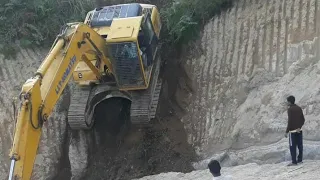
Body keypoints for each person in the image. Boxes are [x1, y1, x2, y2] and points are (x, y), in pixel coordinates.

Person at [285, 95, 305, 166]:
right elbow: (303, 119)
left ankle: (294, 161)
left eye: (287, 102)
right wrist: (299, 127)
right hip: (299, 130)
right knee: (300, 146)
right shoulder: (299, 108)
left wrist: (286, 131)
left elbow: (290, 121)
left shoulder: (290, 109)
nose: (287, 103)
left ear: (290, 102)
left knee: (292, 146)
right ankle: (300, 160)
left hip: (292, 132)